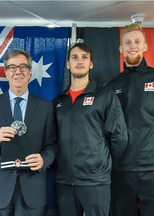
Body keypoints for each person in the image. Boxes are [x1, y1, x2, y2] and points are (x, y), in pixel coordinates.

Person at [0, 49, 57, 216]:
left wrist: (44, 159)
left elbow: (52, 145)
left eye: (23, 67)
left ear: (30, 71)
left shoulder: (45, 107)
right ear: (6, 72)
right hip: (0, 188)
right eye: (12, 67)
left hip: (33, 187)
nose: (18, 71)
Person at [52, 43, 128, 216]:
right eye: (75, 57)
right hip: (64, 182)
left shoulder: (105, 95)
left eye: (84, 57)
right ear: (68, 64)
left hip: (95, 182)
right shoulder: (58, 102)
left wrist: (101, 166)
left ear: (91, 64)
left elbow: (119, 138)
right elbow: (53, 141)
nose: (80, 61)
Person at [106, 23, 154, 216]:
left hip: (151, 169)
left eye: (136, 41)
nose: (132, 45)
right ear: (121, 49)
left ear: (145, 46)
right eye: (127, 42)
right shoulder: (111, 85)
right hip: (121, 170)